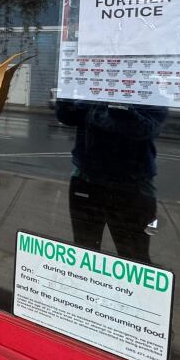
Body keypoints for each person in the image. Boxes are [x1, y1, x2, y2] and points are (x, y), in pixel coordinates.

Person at [55, 99, 167, 263]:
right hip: (86, 180)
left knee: (134, 258)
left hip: (132, 186)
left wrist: (116, 104)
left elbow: (145, 129)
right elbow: (67, 117)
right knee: (84, 253)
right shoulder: (91, 84)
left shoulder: (150, 88)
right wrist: (65, 98)